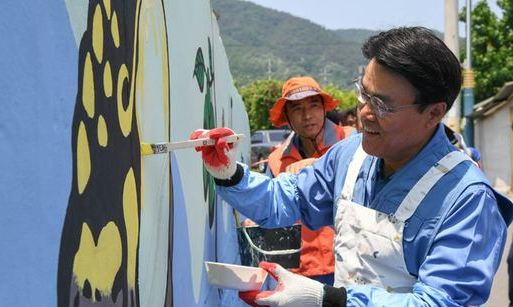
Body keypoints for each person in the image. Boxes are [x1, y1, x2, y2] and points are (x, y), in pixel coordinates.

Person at [191, 27, 513, 307]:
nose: (365, 113)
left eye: (382, 104)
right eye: (363, 94)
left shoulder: (467, 199)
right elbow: (286, 200)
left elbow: (441, 301)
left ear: (433, 113)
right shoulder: (348, 155)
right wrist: (229, 172)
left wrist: (328, 299)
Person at [243, 76, 354, 285]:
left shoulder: (351, 142)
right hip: (299, 272)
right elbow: (268, 205)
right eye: (297, 109)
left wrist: (317, 165)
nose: (307, 116)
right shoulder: (277, 160)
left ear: (324, 108)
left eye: (313, 105)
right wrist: (254, 218)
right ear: (287, 116)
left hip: (350, 266)